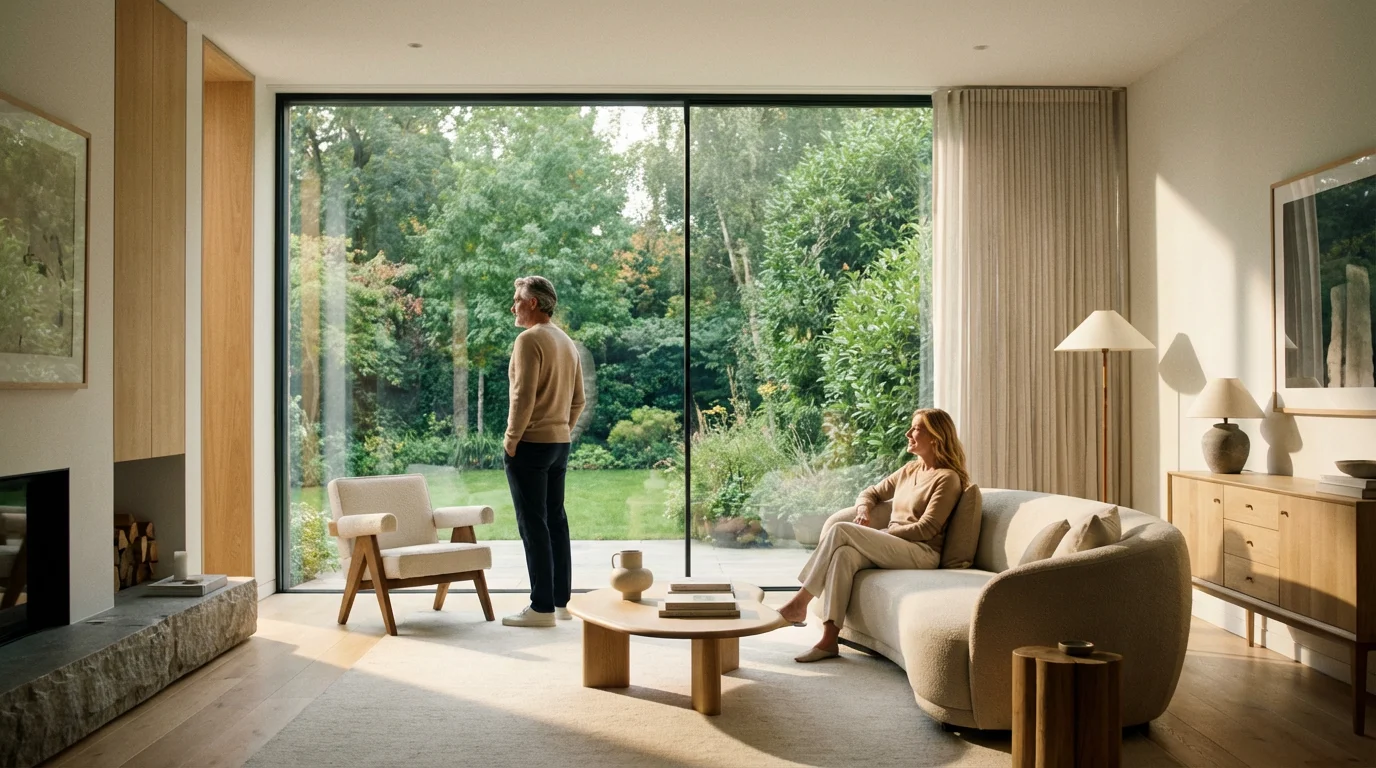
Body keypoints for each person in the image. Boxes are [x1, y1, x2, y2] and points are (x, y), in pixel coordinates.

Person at [777, 407, 968, 662]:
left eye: (916, 429)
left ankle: (800, 602)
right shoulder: (910, 470)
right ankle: (828, 641)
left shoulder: (947, 479)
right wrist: (864, 508)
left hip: (922, 552)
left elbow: (927, 528)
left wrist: (886, 532)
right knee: (844, 554)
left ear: (935, 437)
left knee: (841, 529)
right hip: (896, 546)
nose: (908, 433)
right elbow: (871, 492)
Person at [501, 276, 585, 628]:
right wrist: (561, 427)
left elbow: (522, 396)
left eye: (517, 300)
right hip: (559, 443)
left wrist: (511, 438)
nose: (513, 306)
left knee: (533, 524)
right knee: (555, 521)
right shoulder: (566, 342)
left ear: (533, 303)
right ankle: (561, 602)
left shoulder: (529, 340)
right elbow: (578, 400)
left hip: (531, 444)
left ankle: (541, 608)